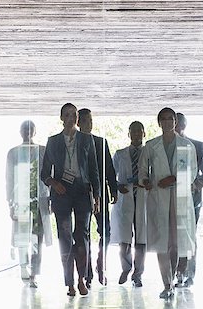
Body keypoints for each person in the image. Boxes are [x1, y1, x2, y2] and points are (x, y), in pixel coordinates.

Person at [41, 103, 100, 297]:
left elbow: (94, 169)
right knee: (65, 237)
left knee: (82, 236)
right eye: (67, 115)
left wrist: (97, 196)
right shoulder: (53, 141)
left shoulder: (86, 140)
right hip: (62, 192)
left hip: (82, 191)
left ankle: (82, 278)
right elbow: (44, 173)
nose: (71, 118)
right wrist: (54, 183)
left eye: (73, 114)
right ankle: (70, 283)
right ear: (61, 118)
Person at [139, 108, 197, 299]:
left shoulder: (186, 145)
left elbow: (192, 172)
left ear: (175, 122)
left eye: (170, 119)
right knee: (162, 242)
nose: (166, 122)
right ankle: (166, 284)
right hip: (159, 196)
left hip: (179, 197)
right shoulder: (151, 145)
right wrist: (146, 181)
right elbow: (142, 171)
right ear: (158, 122)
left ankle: (179, 274)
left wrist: (173, 179)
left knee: (178, 241)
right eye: (162, 119)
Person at [6, 120, 52, 288]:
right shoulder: (13, 153)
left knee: (37, 239)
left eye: (30, 129)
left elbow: (50, 176)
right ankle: (24, 268)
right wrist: (10, 203)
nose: (27, 131)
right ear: (20, 131)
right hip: (21, 200)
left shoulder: (43, 151)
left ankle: (34, 273)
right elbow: (9, 179)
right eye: (24, 129)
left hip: (39, 199)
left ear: (35, 131)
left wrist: (51, 199)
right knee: (22, 238)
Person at [77, 108, 118, 287]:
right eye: (85, 120)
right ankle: (86, 272)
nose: (89, 123)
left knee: (106, 232)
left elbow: (109, 168)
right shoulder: (73, 142)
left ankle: (101, 265)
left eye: (90, 120)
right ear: (78, 123)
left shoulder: (101, 142)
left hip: (100, 194)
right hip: (80, 195)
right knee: (82, 233)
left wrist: (114, 190)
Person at [175, 112, 203, 287]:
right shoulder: (163, 147)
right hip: (169, 196)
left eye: (179, 124)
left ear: (184, 126)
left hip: (191, 199)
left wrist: (195, 185)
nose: (177, 128)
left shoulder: (196, 145)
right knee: (172, 236)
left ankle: (188, 274)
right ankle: (176, 272)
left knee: (188, 235)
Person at [110, 121, 147, 287]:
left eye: (139, 131)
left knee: (141, 239)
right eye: (133, 131)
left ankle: (138, 274)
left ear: (144, 133)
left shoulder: (150, 153)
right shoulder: (120, 154)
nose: (137, 134)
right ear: (128, 134)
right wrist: (118, 186)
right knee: (124, 239)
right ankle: (126, 268)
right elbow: (111, 177)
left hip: (144, 198)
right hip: (125, 199)